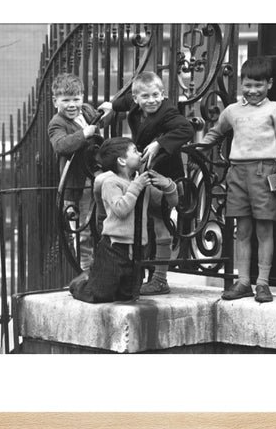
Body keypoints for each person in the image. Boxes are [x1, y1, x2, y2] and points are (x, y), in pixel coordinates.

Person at [199, 56, 276, 303]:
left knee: (264, 229)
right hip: (237, 173)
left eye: (258, 85)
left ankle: (262, 283)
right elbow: (215, 133)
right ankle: (243, 282)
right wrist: (198, 148)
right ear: (241, 84)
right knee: (241, 230)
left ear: (269, 84)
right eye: (248, 85)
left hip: (266, 173)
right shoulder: (232, 111)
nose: (253, 91)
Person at [102, 72, 194, 295]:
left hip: (166, 177)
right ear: (137, 99)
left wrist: (159, 143)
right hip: (144, 174)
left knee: (161, 224)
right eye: (145, 96)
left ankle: (160, 279)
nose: (151, 100)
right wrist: (111, 105)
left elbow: (187, 129)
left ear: (162, 95)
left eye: (156, 95)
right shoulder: (134, 106)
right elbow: (123, 101)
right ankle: (139, 274)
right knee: (145, 224)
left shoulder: (167, 111)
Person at [70, 137, 179, 303]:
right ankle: (80, 283)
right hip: (114, 247)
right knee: (100, 295)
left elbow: (170, 203)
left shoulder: (141, 184)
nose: (140, 154)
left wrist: (168, 185)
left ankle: (97, 279)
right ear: (121, 161)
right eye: (135, 151)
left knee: (128, 294)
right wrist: (137, 186)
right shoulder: (111, 183)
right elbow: (121, 209)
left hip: (137, 249)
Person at [47, 73, 112, 273]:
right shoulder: (57, 123)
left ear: (82, 97)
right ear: (55, 101)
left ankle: (105, 265)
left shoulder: (86, 110)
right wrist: (84, 134)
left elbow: (99, 124)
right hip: (78, 185)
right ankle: (86, 271)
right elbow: (61, 146)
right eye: (65, 100)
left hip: (98, 177)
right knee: (82, 230)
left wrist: (108, 112)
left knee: (103, 223)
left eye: (76, 99)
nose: (72, 105)